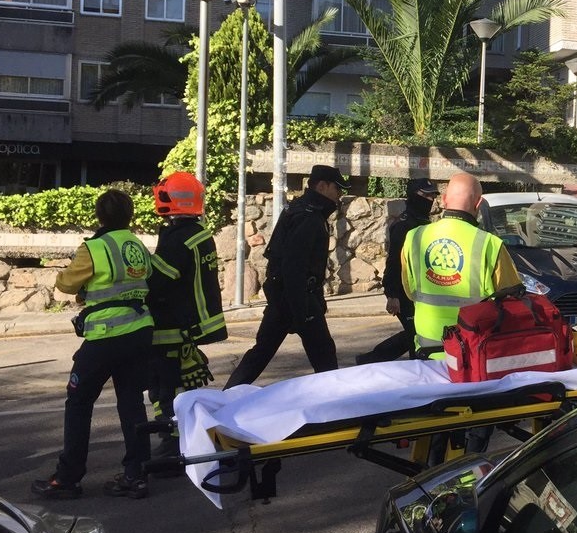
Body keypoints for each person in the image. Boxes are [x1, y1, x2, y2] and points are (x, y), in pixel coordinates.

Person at [32, 189, 154, 500]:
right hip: (139, 331)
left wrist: (78, 283)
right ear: (129, 216)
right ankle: (136, 474)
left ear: (99, 216)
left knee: (78, 402)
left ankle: (68, 477)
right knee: (131, 403)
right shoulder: (135, 244)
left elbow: (67, 284)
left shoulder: (95, 248)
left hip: (105, 336)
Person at [224, 164, 347, 387]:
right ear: (322, 186)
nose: (339, 195)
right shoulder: (309, 217)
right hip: (297, 297)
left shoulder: (297, 209)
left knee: (261, 352)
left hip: (286, 297)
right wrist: (304, 311)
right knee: (324, 356)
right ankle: (335, 402)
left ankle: (227, 396)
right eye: (337, 189)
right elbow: (294, 266)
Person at [146, 172, 227, 459]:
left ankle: (174, 441)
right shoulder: (199, 233)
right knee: (178, 383)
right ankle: (185, 432)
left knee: (164, 386)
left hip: (173, 325)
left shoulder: (177, 239)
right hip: (191, 323)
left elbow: (158, 281)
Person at [402, 172, 522, 361]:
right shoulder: (490, 244)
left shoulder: (414, 237)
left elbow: (409, 291)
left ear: (443, 200)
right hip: (474, 357)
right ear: (478, 203)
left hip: (428, 355)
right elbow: (512, 301)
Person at [355, 178, 439, 365]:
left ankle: (370, 360)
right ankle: (411, 373)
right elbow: (394, 262)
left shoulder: (423, 222)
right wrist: (392, 294)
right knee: (415, 337)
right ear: (413, 196)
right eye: (426, 195)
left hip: (420, 291)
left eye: (433, 195)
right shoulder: (404, 224)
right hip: (404, 292)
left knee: (415, 332)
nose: (431, 199)